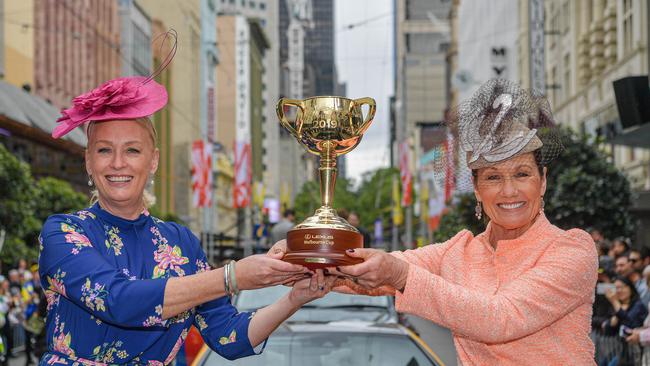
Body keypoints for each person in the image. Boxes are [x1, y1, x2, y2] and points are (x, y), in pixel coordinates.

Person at [272, 79, 599, 364]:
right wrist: (311, 259)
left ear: (543, 181)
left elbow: (501, 318)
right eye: (493, 177)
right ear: (476, 188)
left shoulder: (572, 248)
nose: (509, 190)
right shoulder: (459, 251)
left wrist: (399, 274)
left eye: (522, 174)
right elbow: (383, 269)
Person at [39, 51, 334, 364]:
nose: (117, 163)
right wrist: (232, 277)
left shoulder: (181, 243)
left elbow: (228, 337)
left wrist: (294, 297)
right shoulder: (64, 233)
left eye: (133, 150)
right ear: (88, 160)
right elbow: (117, 300)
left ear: (153, 160)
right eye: (103, 150)